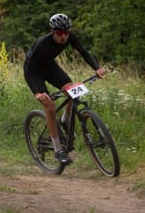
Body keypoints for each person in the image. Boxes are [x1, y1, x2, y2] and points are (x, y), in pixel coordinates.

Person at [24, 13, 106, 165]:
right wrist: (38, 92)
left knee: (74, 90)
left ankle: (65, 120)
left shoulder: (70, 37)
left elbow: (83, 52)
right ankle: (58, 149)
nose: (64, 36)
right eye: (60, 33)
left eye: (66, 32)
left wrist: (97, 68)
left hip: (50, 67)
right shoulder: (42, 43)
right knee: (50, 106)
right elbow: (29, 70)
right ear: (52, 32)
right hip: (35, 72)